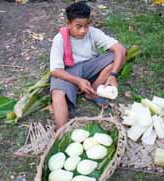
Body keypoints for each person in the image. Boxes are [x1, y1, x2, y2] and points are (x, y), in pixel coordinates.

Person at [50, 1, 126, 129]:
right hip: (68, 71)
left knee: (120, 56)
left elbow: (120, 49)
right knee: (57, 93)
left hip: (90, 66)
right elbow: (55, 71)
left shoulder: (92, 32)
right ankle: (61, 130)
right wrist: (78, 81)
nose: (83, 30)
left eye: (86, 26)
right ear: (68, 24)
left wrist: (113, 75)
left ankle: (93, 91)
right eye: (78, 26)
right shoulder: (60, 39)